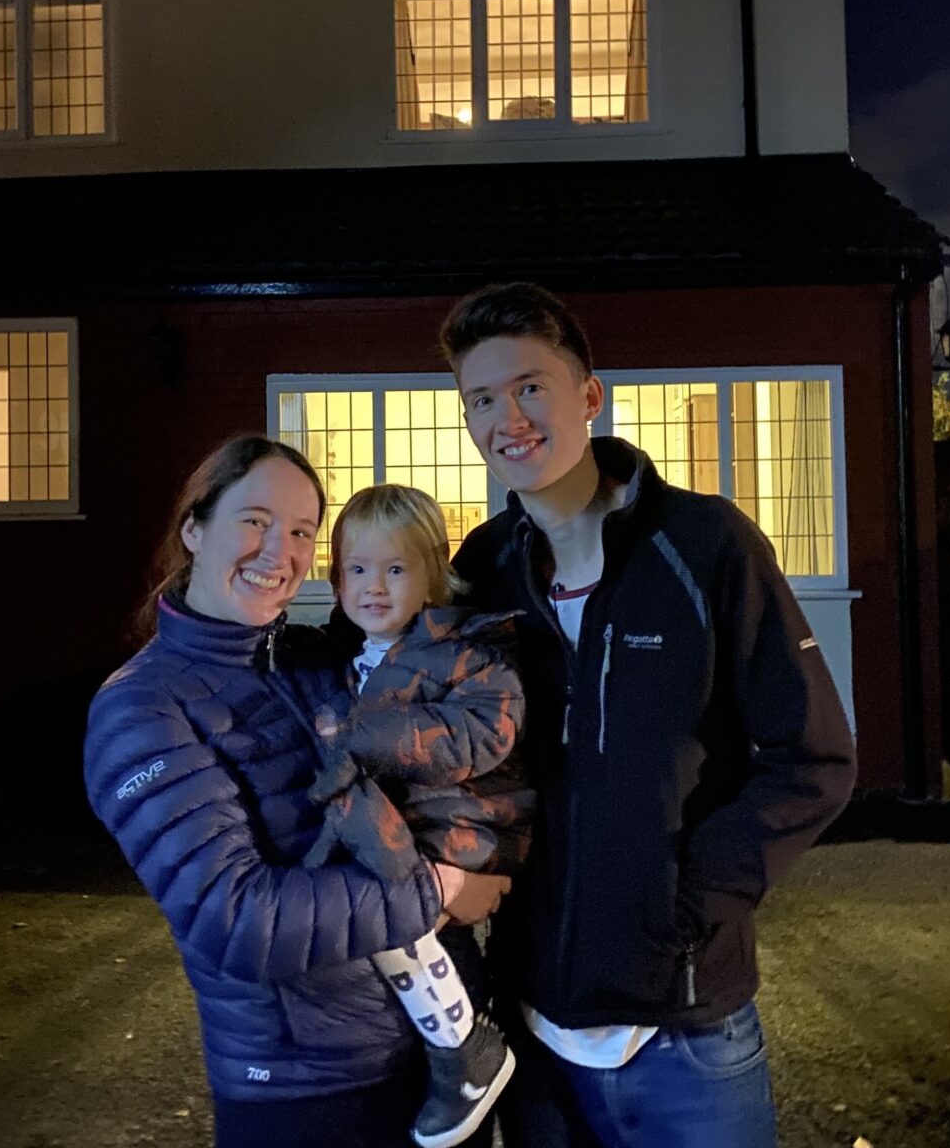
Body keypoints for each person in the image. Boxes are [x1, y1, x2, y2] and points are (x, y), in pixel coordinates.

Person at [441, 283, 859, 1148]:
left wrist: (692, 903)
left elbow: (814, 757)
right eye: (480, 398)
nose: (506, 418)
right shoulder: (488, 569)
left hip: (686, 1032)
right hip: (531, 1024)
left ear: (589, 396)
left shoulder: (704, 545)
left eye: (528, 387)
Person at [83, 435, 509, 1148]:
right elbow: (236, 917)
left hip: (438, 1053)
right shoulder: (142, 711)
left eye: (302, 531)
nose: (279, 551)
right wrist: (437, 892)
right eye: (254, 521)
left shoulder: (314, 658)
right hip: (306, 1090)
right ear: (194, 528)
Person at [304, 483, 532, 1148]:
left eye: (396, 569)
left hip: (456, 830)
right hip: (401, 832)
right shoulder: (340, 660)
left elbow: (481, 736)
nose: (375, 586)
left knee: (387, 910)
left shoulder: (469, 648)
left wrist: (362, 736)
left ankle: (465, 1047)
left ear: (434, 571)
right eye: (358, 568)